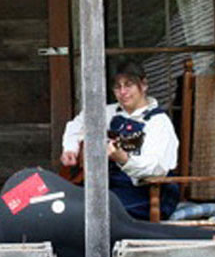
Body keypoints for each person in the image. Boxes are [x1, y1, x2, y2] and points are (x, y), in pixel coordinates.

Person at [60, 61, 179, 220]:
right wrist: (70, 148)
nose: (123, 92)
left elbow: (155, 168)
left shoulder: (158, 122)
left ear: (143, 85)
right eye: (118, 87)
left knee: (89, 211)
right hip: (111, 189)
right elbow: (77, 125)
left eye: (128, 85)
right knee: (63, 202)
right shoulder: (110, 112)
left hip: (147, 192)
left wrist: (123, 159)